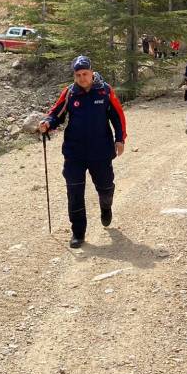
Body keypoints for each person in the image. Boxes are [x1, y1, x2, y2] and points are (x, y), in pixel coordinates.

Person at [39, 56, 127, 248]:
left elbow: (118, 116)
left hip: (101, 151)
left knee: (105, 187)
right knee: (74, 192)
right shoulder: (70, 92)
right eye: (78, 75)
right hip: (74, 152)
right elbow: (57, 114)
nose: (82, 78)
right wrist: (48, 123)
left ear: (91, 72)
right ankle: (78, 233)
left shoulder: (105, 91)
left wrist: (120, 139)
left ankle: (106, 207)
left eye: (85, 74)